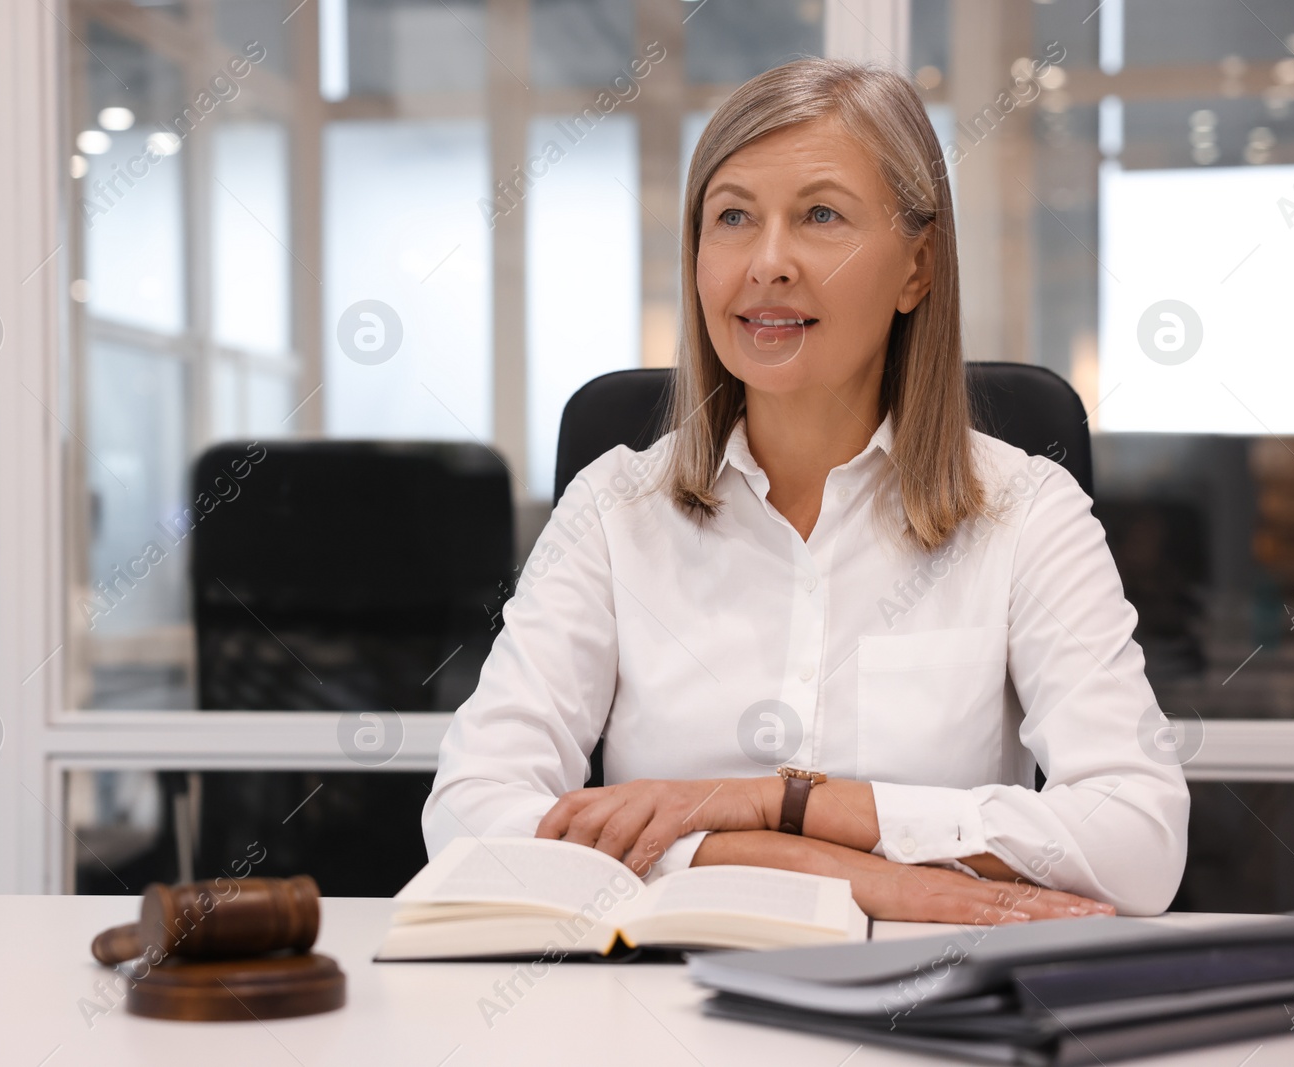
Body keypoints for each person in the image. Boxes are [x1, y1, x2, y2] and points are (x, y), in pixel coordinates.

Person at [422, 58, 1189, 923]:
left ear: (916, 268)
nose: (768, 261)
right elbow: (466, 817)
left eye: (821, 215)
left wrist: (779, 801)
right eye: (734, 217)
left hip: (924, 1015)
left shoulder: (1026, 512)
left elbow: (1140, 840)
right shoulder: (613, 508)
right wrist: (845, 872)